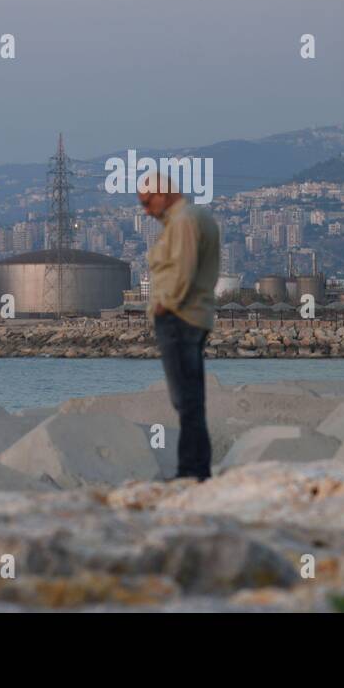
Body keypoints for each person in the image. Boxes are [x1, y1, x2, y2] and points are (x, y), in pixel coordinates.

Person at [138, 171, 220, 481]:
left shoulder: (184, 220)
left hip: (179, 317)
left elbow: (184, 268)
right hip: (195, 316)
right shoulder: (196, 216)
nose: (147, 211)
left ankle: (191, 471)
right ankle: (198, 468)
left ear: (162, 193)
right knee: (192, 398)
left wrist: (165, 305)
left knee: (185, 399)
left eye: (147, 202)